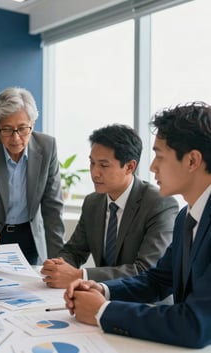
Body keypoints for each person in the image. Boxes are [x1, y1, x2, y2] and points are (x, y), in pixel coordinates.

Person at [64, 102, 211, 348]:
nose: (152, 167)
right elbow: (158, 280)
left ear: (192, 160)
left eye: (160, 156)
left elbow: (196, 325)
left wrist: (103, 312)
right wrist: (102, 289)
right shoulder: (187, 217)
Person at [41, 124, 178, 288]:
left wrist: (81, 275)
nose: (94, 173)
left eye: (103, 165)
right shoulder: (93, 202)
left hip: (146, 305)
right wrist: (58, 266)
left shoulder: (159, 204)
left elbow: (145, 270)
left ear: (130, 167)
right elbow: (74, 251)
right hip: (102, 298)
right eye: (92, 163)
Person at [0, 87, 65, 270]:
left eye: (23, 128)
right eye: (7, 130)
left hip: (30, 239)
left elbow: (53, 207)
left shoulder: (47, 147)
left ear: (32, 123)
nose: (16, 138)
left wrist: (59, 260)